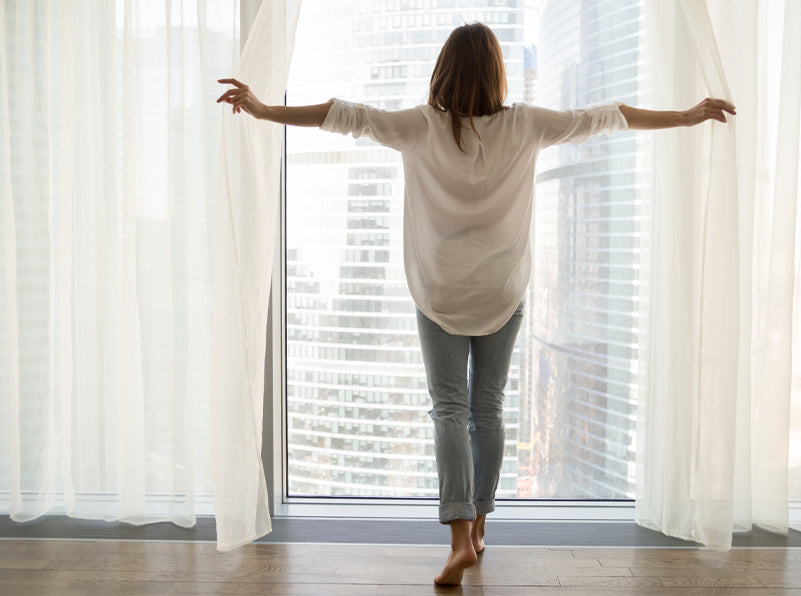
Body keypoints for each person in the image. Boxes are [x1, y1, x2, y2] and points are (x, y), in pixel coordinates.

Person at [217, 22, 735, 587]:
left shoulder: (420, 126)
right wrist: (685, 116)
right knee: (486, 408)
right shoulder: (527, 125)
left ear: (443, 71)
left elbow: (347, 115)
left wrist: (266, 111)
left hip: (439, 291)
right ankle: (481, 527)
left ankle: (460, 539)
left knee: (449, 409)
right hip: (502, 289)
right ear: (497, 73)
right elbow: (609, 116)